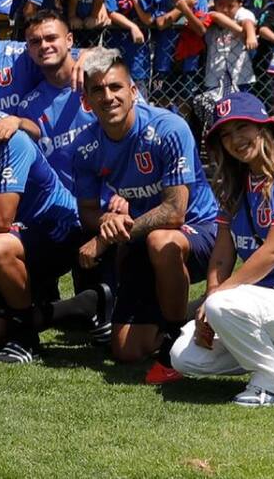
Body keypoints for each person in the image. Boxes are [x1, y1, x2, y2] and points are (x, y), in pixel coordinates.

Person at [0, 66, 111, 363]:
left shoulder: (10, 140)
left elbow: (0, 217)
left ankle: (26, 340)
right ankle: (87, 304)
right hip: (18, 240)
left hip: (60, 232)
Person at [73, 49, 218, 384]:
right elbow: (88, 212)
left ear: (133, 91)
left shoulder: (169, 129)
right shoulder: (85, 147)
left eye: (115, 87)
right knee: (126, 350)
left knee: (160, 238)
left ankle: (172, 342)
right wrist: (107, 222)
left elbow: (174, 211)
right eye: (98, 90)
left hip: (198, 230)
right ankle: (190, 310)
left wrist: (104, 237)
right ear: (87, 101)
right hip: (140, 239)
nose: (108, 96)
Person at [171, 92, 274, 406]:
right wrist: (210, 298)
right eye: (225, 134)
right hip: (271, 301)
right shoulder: (235, 184)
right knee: (184, 356)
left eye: (242, 127)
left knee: (223, 305)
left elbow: (273, 252)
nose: (235, 139)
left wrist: (217, 300)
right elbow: (222, 254)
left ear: (263, 127)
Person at [18, 10, 97, 191]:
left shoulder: (102, 78)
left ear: (69, 40)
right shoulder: (29, 108)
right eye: (35, 42)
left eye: (51, 38)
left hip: (119, 199)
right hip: (68, 208)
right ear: (28, 49)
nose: (44, 46)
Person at [105, 0, 160, 97]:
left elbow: (148, 19)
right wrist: (132, 26)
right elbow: (111, 13)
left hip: (138, 54)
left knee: (138, 94)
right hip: (113, 47)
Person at [203, 0, 258, 96]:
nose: (225, 9)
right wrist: (240, 31)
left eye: (230, 6)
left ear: (240, 4)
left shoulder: (241, 13)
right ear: (214, 3)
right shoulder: (211, 13)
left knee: (241, 105)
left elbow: (248, 21)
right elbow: (215, 15)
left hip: (240, 76)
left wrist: (251, 35)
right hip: (215, 76)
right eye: (221, 4)